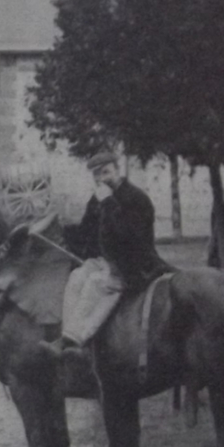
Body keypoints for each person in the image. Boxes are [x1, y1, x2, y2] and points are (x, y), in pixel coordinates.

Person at [52, 151, 167, 354]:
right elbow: (85, 234)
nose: (102, 179)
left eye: (106, 172)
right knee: (77, 277)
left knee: (98, 282)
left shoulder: (136, 198)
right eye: (96, 175)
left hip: (135, 262)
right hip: (105, 261)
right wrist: (61, 226)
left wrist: (108, 204)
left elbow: (130, 236)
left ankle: (76, 340)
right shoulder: (98, 199)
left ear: (117, 169)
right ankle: (67, 334)